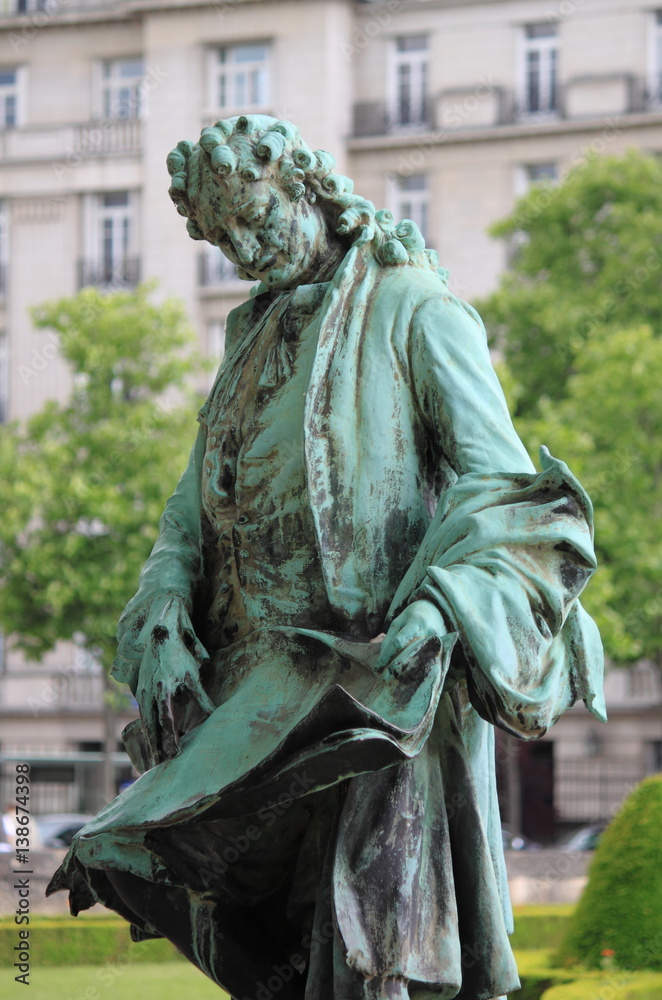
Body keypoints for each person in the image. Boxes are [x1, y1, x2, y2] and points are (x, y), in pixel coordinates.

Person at [48, 115, 606, 1000]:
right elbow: (190, 510)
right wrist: (160, 599)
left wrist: (443, 604)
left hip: (375, 688)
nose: (243, 245)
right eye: (222, 235)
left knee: (368, 956)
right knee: (161, 868)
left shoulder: (414, 305)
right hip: (256, 688)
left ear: (306, 185)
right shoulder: (248, 339)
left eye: (255, 216)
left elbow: (503, 488)